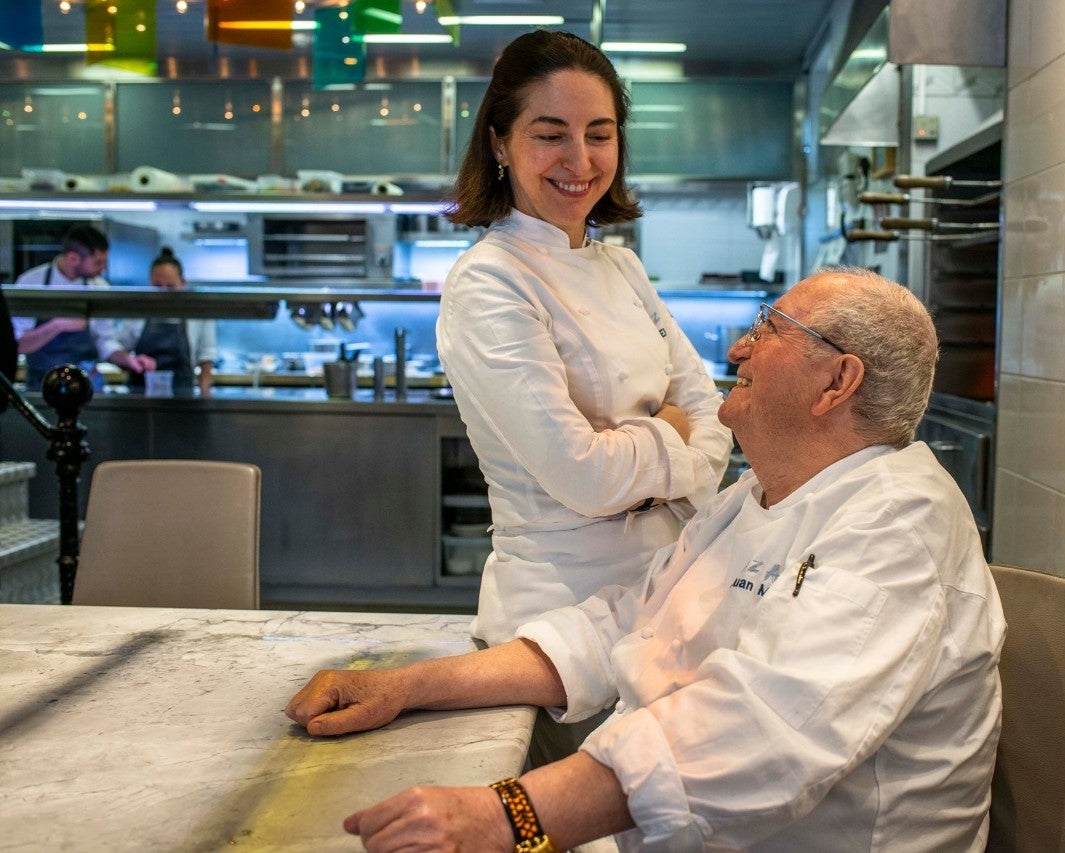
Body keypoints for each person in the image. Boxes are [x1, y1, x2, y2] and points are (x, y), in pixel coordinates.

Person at [287, 268, 1007, 853]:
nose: (738, 351)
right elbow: (628, 623)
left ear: (837, 382)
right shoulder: (755, 497)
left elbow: (765, 730)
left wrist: (505, 816)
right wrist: (406, 685)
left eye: (769, 329)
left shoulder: (897, 524)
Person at [437, 33, 732, 649]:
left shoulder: (622, 267)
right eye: (550, 135)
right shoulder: (490, 281)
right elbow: (582, 478)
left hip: (666, 594)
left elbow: (713, 421)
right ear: (500, 142)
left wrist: (650, 450)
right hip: (557, 617)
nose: (581, 159)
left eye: (599, 134)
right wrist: (668, 431)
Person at [12, 224, 150, 391]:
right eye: (98, 262)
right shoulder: (31, 282)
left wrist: (128, 360)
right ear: (72, 258)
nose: (104, 268)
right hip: (43, 383)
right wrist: (58, 324)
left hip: (87, 383)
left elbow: (105, 341)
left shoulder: (99, 287)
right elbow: (20, 345)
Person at [115, 247, 217, 397]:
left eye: (170, 287)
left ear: (182, 283)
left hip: (182, 398)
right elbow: (118, 349)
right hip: (140, 399)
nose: (163, 292)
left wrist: (205, 394)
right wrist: (132, 362)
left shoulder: (197, 312)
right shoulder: (138, 311)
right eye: (157, 286)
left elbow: (206, 356)